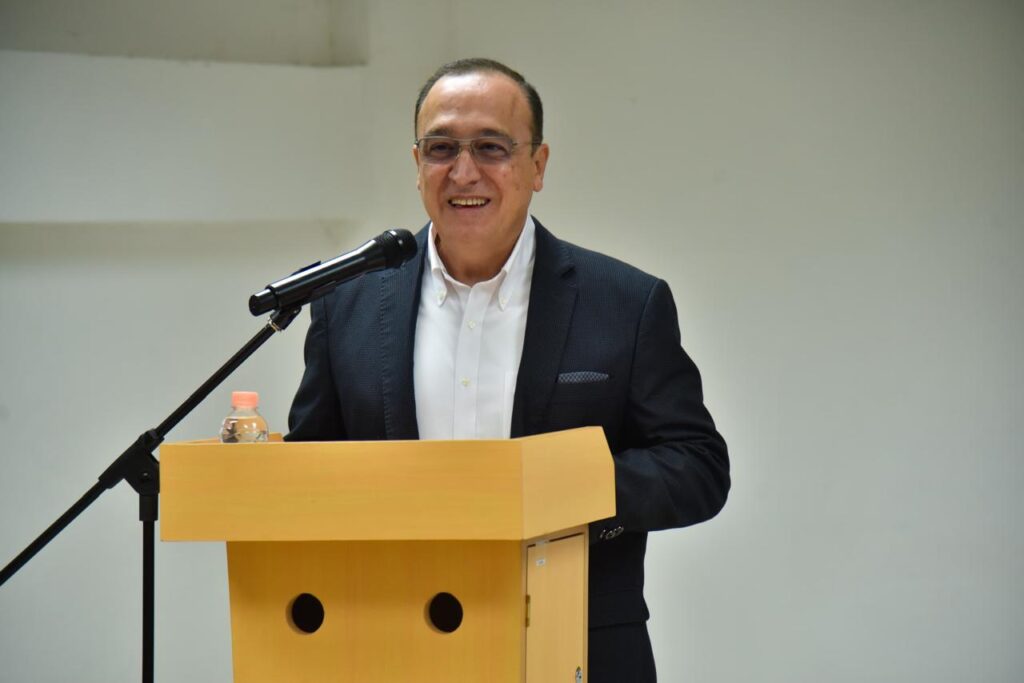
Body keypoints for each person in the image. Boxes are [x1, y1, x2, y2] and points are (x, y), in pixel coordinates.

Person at [286, 58, 730, 682]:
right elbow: (309, 474)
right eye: (441, 148)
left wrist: (563, 485)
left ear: (538, 165)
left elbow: (698, 467)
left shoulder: (625, 303)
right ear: (417, 164)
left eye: (491, 147)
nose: (464, 172)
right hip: (389, 644)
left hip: (574, 645)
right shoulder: (348, 303)